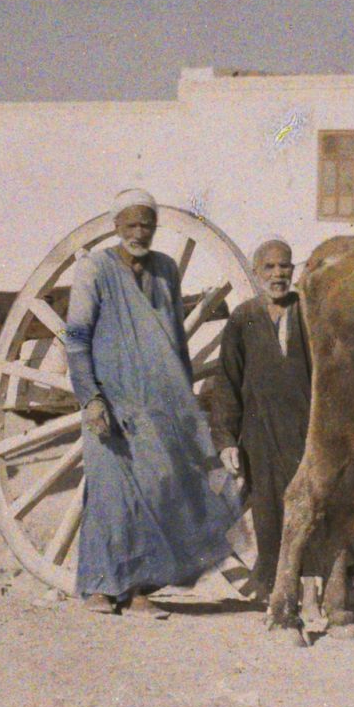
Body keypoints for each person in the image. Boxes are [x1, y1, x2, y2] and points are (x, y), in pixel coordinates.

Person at [62, 189, 244, 616]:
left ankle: (141, 589)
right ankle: (100, 588)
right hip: (112, 401)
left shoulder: (164, 270)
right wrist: (90, 398)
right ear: (116, 227)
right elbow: (76, 339)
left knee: (156, 492)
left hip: (158, 403)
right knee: (110, 493)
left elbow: (176, 339)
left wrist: (184, 400)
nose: (139, 232)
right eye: (131, 224)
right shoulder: (94, 270)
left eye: (146, 224)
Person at [207, 237, 311, 600]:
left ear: (293, 271)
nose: (278, 274)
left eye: (285, 266)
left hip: (304, 432)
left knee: (310, 509)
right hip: (259, 436)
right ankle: (275, 591)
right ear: (255, 272)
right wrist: (225, 441)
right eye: (269, 267)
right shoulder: (243, 318)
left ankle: (313, 591)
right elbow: (227, 383)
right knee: (267, 512)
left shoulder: (307, 315)